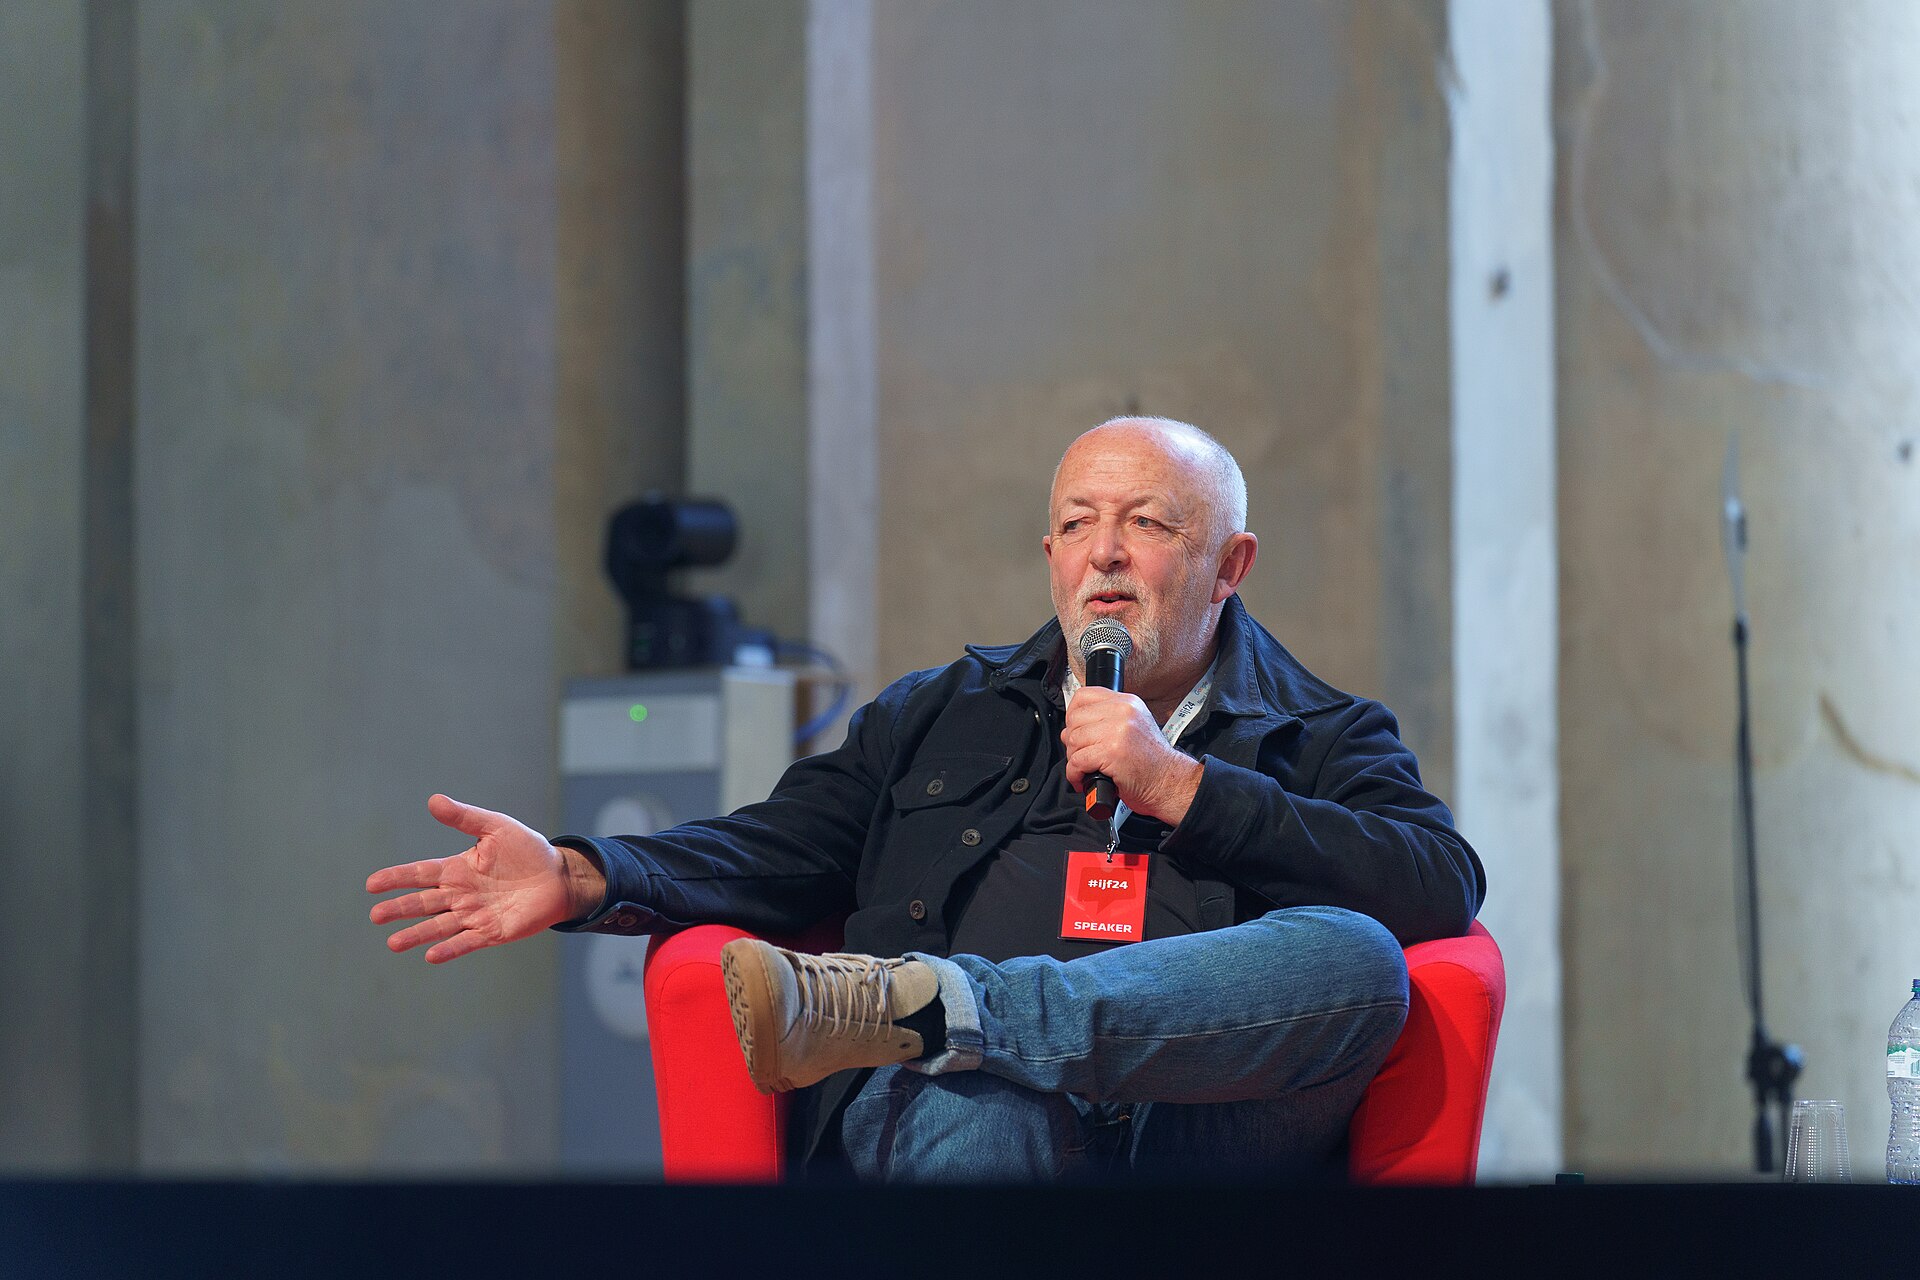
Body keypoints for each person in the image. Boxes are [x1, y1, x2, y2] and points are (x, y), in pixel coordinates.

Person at [367, 416, 1484, 1182]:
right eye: (1081, 522)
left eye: (1150, 522)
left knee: (1355, 957)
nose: (1107, 552)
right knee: (975, 1102)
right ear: (1048, 551)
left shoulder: (1325, 729)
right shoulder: (944, 711)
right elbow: (782, 846)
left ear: (1230, 562)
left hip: (1197, 1125)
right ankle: (950, 1021)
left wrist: (1185, 786)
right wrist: (583, 871)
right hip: (971, 1101)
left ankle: (943, 998)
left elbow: (1441, 886)